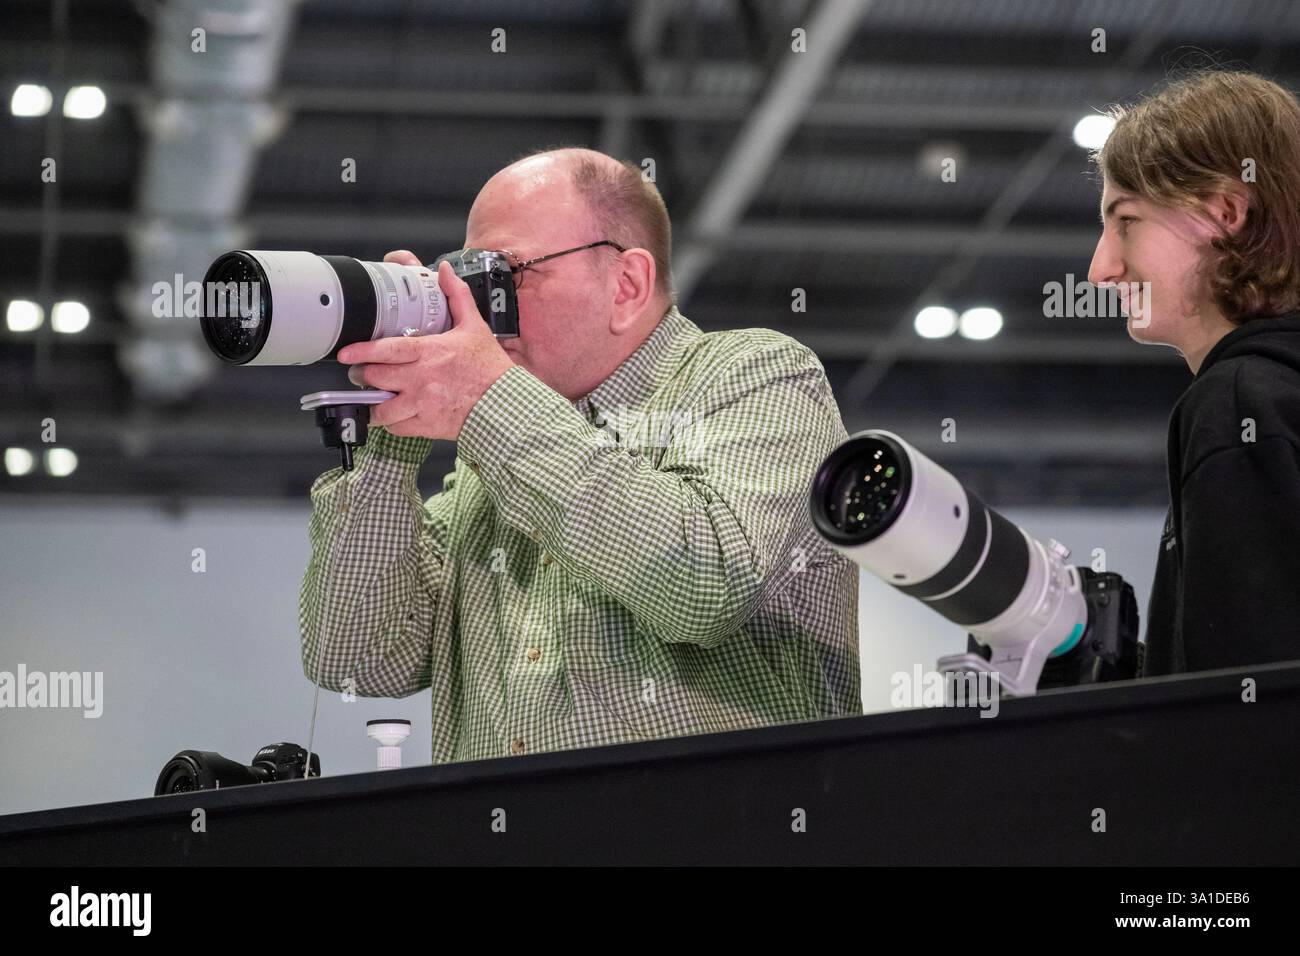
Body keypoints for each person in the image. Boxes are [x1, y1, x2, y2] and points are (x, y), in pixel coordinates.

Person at [299, 147, 861, 761]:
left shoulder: (756, 374)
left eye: (505, 273)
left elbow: (710, 585)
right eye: (464, 276)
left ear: (627, 284)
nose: (485, 308)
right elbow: (357, 660)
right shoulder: (493, 467)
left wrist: (492, 400)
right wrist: (390, 431)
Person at [1087, 70, 1300, 676]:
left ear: (1225, 213)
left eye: (1125, 220)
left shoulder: (1237, 401)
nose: (1101, 268)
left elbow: (1244, 711)